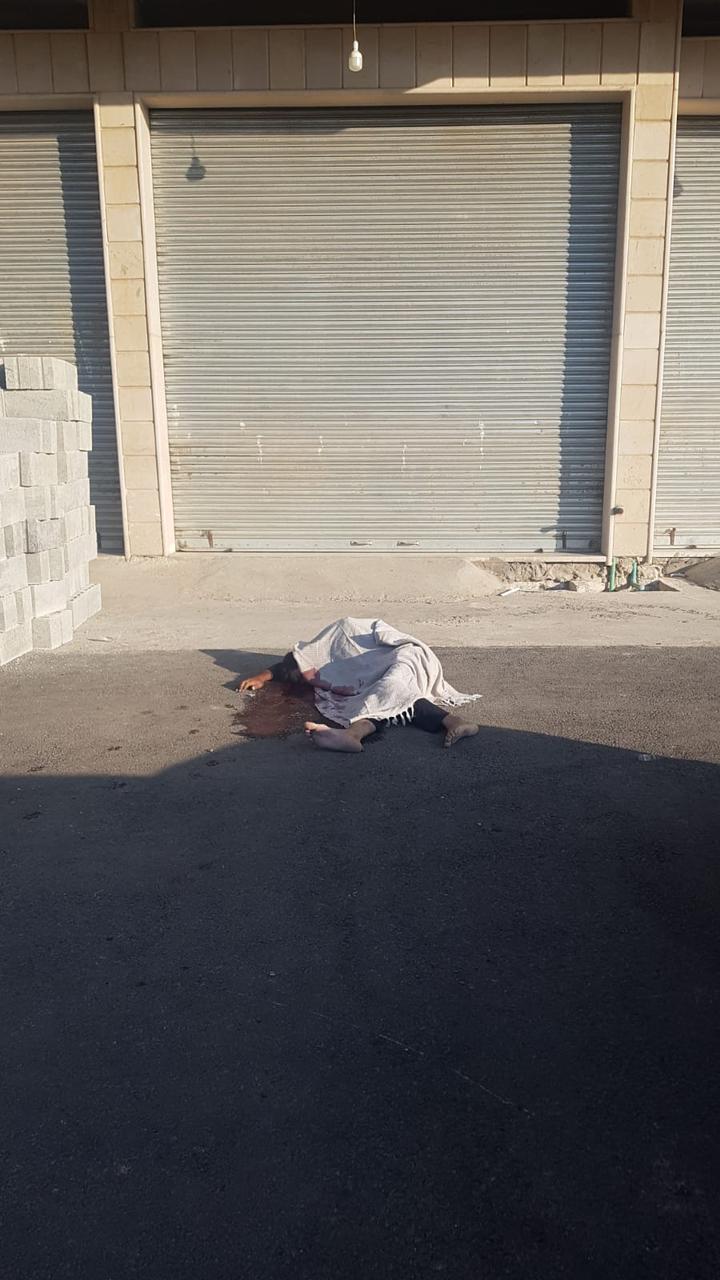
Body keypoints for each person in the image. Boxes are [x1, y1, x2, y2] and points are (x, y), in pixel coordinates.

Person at [238, 617, 480, 753]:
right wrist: (262, 677)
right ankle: (353, 734)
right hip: (377, 672)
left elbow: (385, 636)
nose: (313, 679)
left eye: (309, 674)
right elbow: (289, 666)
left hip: (407, 656)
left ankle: (455, 721)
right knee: (375, 697)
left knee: (393, 687)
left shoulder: (341, 637)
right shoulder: (310, 656)